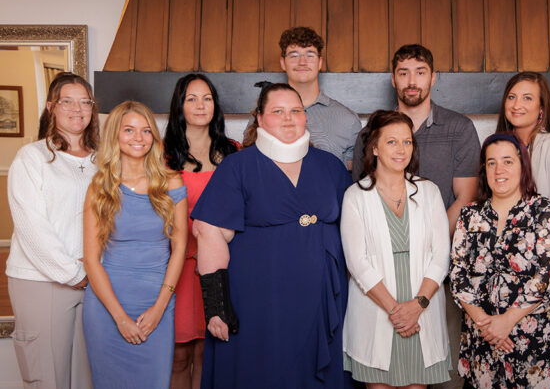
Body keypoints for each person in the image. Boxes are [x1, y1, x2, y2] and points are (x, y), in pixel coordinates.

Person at [192, 83, 353, 388]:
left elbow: (355, 232)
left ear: (306, 117)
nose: (289, 118)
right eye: (278, 111)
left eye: (295, 111)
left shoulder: (331, 167)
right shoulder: (237, 166)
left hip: (321, 301)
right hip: (256, 303)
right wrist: (217, 308)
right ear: (261, 119)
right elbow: (209, 232)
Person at [352, 46, 480, 388]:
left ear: (433, 77)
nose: (412, 81)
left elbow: (466, 198)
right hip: (379, 285)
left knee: (443, 371)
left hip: (440, 274)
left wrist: (427, 243)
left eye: (420, 72)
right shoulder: (369, 133)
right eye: (404, 72)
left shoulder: (459, 127)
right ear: (393, 78)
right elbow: (360, 213)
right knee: (379, 365)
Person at [341, 110, 451, 387]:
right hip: (378, 313)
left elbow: (441, 256)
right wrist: (398, 312)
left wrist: (417, 306)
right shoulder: (355, 196)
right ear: (374, 147)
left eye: (407, 142)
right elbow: (357, 262)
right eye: (391, 142)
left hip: (421, 314)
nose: (401, 149)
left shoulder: (429, 192)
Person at [82, 101, 187, 388]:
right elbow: (91, 260)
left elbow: (179, 249)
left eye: (145, 131)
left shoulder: (172, 183)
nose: (138, 138)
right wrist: (120, 318)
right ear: (115, 134)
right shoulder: (100, 187)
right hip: (107, 306)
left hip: (157, 303)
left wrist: (159, 308)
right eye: (129, 130)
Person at [450, 132, 550, 388]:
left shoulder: (544, 211)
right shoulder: (469, 215)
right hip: (482, 343)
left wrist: (506, 322)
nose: (499, 169)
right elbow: (458, 276)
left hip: (533, 344)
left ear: (523, 165)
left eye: (507, 161)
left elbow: (547, 275)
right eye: (491, 162)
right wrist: (488, 326)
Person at [6, 72, 98, 389]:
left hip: (93, 281)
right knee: (48, 376)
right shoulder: (32, 158)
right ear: (51, 107)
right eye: (67, 101)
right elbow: (32, 227)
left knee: (86, 375)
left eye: (85, 101)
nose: (77, 108)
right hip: (42, 280)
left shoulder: (104, 160)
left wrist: (96, 273)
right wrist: (75, 274)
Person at [163, 74, 240, 389]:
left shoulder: (234, 152)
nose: (200, 105)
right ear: (180, 105)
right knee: (179, 354)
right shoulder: (163, 156)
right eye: (191, 98)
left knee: (212, 353)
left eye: (206, 98)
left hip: (222, 267)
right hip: (178, 266)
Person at [244, 26, 361, 169]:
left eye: (310, 55)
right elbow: (250, 166)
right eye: (294, 55)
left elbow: (351, 177)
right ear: (282, 62)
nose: (302, 62)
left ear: (319, 62)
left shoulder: (347, 120)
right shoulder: (263, 115)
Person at [494, 71, 550, 207]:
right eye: (511, 97)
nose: (516, 105)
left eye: (527, 98)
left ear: (541, 108)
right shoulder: (496, 147)